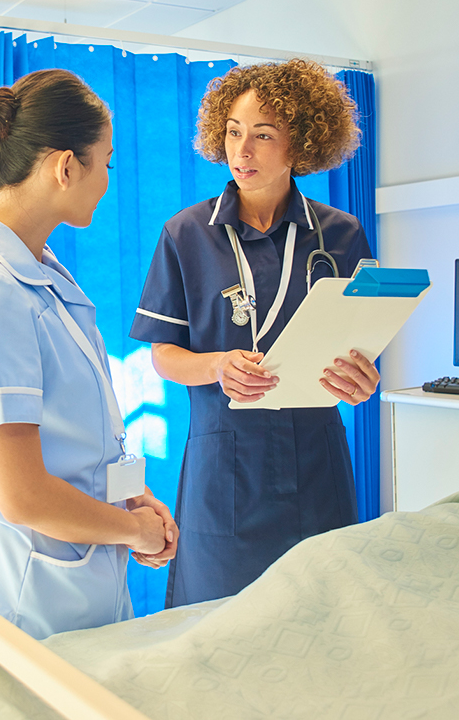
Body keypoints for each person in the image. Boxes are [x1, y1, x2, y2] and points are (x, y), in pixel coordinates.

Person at [0, 69, 178, 641]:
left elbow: (81, 433)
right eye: (106, 163)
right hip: (27, 594)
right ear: (67, 167)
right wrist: (132, 532)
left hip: (77, 576)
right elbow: (23, 493)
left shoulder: (40, 273)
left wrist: (133, 499)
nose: (108, 180)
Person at [130, 59, 380, 609]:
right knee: (218, 624)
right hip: (226, 467)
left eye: (263, 136)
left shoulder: (341, 235)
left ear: (302, 144)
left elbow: (362, 349)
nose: (242, 152)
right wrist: (218, 366)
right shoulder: (186, 234)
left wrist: (363, 381)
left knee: (324, 615)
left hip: (317, 459)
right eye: (234, 133)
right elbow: (164, 356)